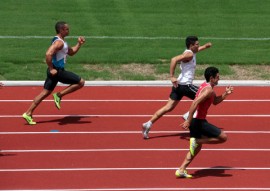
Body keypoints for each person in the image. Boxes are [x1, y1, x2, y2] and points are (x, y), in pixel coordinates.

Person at [142, 36, 212, 139]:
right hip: (185, 85)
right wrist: (171, 76)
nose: (198, 46)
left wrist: (205, 46)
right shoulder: (189, 54)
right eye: (197, 44)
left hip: (178, 85)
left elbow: (197, 50)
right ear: (191, 46)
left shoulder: (191, 52)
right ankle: (188, 115)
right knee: (206, 96)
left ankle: (148, 123)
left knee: (168, 107)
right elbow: (174, 59)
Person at [175, 66, 234, 178]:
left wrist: (226, 94)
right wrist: (189, 120)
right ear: (211, 78)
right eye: (217, 77)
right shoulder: (208, 90)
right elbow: (195, 103)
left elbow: (215, 101)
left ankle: (181, 169)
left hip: (197, 120)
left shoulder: (206, 87)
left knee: (196, 149)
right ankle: (198, 140)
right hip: (198, 121)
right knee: (223, 137)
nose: (219, 79)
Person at [22, 21, 85, 125]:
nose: (69, 31)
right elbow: (48, 54)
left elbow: (71, 52)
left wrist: (79, 44)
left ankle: (28, 113)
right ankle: (59, 95)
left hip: (54, 72)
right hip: (57, 71)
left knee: (45, 93)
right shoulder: (59, 42)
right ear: (61, 30)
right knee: (81, 82)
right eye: (67, 29)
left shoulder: (61, 42)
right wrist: (51, 68)